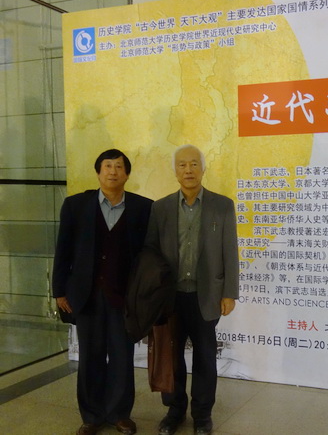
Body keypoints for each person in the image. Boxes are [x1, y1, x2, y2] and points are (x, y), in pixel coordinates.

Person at [52, 149, 153, 435]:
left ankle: (120, 414)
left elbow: (150, 255)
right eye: (107, 166)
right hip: (86, 296)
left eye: (118, 167)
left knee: (122, 356)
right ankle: (92, 416)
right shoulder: (75, 205)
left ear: (127, 174)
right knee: (90, 357)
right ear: (98, 172)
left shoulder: (143, 207)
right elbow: (63, 250)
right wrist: (59, 290)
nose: (112, 171)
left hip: (125, 298)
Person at [144, 144, 239, 435]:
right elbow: (150, 253)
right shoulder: (160, 208)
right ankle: (174, 411)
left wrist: (229, 292)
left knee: (205, 359)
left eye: (194, 164)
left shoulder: (222, 205)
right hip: (170, 298)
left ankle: (202, 414)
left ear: (203, 168)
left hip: (206, 296)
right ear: (175, 171)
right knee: (171, 358)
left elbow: (230, 251)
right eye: (183, 165)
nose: (188, 170)